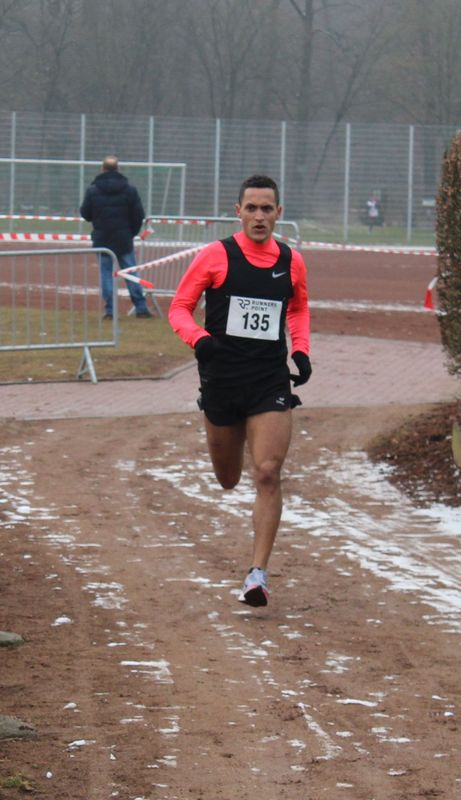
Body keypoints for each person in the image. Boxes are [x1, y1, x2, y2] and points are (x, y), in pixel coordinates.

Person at [168, 175, 312, 607]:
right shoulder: (216, 255)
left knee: (267, 471)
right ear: (238, 212)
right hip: (222, 381)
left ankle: (257, 574)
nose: (259, 216)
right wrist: (199, 340)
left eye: (267, 208)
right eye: (252, 208)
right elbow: (179, 308)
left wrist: (301, 350)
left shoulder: (292, 261)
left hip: (269, 380)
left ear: (279, 213)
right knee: (228, 479)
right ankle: (225, 435)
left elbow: (298, 308)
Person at [80, 155, 152, 319]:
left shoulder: (93, 190)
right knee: (131, 272)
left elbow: (85, 213)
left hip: (102, 239)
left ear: (102, 169)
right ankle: (140, 307)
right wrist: (131, 232)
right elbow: (138, 215)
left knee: (106, 274)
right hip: (123, 238)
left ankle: (110, 310)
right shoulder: (130, 190)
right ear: (118, 169)